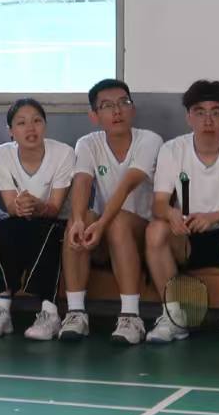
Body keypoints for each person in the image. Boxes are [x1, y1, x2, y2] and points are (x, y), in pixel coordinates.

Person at [144, 80, 219, 346]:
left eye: (216, 112)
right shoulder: (172, 150)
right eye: (199, 112)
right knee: (155, 229)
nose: (208, 120)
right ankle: (173, 316)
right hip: (184, 237)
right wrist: (171, 214)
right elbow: (158, 203)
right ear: (188, 117)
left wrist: (214, 217)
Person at [62, 79, 162, 345]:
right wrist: (79, 220)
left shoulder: (149, 140)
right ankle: (76, 312)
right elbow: (82, 182)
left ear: (133, 109)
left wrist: (103, 223)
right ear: (94, 116)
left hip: (142, 231)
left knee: (116, 222)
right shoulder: (87, 143)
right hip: (103, 232)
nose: (117, 111)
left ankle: (131, 317)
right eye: (107, 106)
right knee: (77, 221)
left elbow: (128, 184)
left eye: (123, 103)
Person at [0, 98, 73, 341]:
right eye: (21, 123)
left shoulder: (63, 153)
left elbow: (54, 208)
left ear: (45, 125)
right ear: (11, 131)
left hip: (53, 220)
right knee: (5, 228)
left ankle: (50, 313)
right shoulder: (1, 154)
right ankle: (2, 311)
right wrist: (21, 206)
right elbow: (11, 207)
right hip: (19, 219)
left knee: (49, 232)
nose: (30, 128)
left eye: (37, 121)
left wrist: (38, 205)